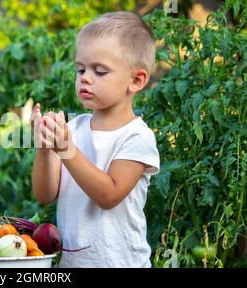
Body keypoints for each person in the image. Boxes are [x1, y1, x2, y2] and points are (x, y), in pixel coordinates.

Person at [31, 11, 160, 268]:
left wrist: (66, 149)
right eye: (80, 69)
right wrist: (45, 149)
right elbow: (44, 195)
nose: (85, 78)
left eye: (99, 71)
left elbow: (108, 194)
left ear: (136, 80)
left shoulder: (137, 136)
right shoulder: (73, 129)